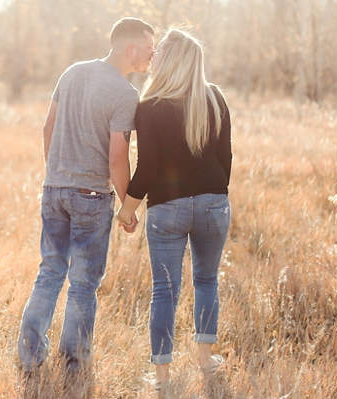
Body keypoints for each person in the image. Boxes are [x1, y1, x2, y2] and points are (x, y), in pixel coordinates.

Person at [18, 17, 155, 382]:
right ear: (131, 49)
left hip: (54, 189)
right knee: (82, 283)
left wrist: (58, 174)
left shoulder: (73, 72)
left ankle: (29, 358)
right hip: (91, 197)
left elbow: (47, 127)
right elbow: (116, 158)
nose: (152, 56)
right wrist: (128, 207)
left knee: (49, 273)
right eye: (148, 49)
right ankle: (74, 364)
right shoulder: (126, 95)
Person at [116, 28, 232, 397]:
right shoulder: (214, 98)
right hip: (214, 203)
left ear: (169, 60)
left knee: (164, 291)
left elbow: (147, 167)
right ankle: (204, 360)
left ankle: (163, 378)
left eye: (159, 51)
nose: (153, 57)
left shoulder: (149, 106)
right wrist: (211, 194)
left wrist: (126, 210)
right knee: (207, 280)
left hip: (168, 208)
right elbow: (225, 159)